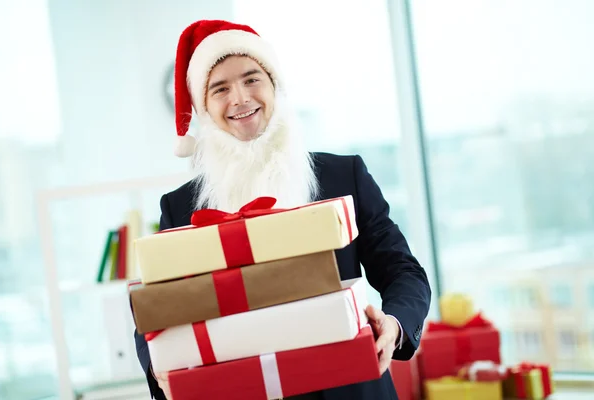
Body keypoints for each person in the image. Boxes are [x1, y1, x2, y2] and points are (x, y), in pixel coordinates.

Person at [134, 19, 431, 400]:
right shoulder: (181, 207)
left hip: (352, 388)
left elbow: (403, 271)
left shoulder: (343, 176)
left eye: (252, 78)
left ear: (274, 85)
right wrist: (159, 369)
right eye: (219, 88)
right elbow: (155, 311)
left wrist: (393, 324)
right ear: (204, 108)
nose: (239, 98)